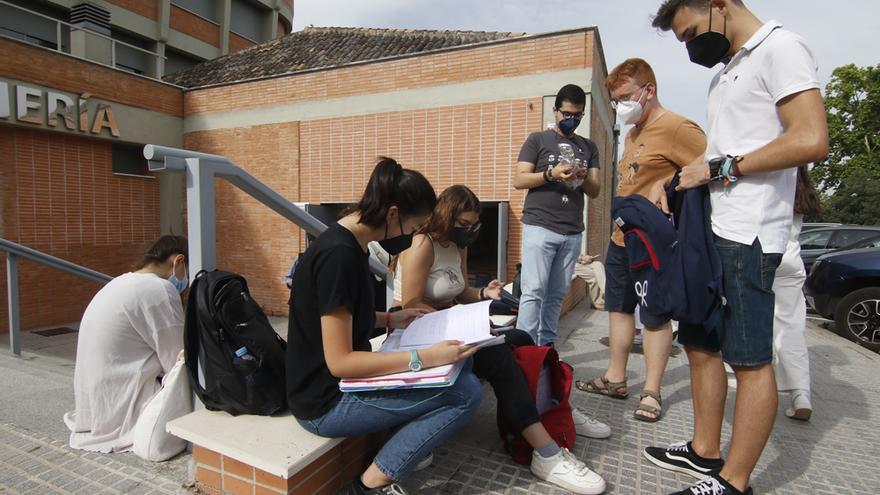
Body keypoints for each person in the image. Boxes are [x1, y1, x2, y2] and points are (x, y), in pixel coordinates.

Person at [645, 2, 829, 494]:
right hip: (711, 229)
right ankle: (706, 454)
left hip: (750, 235)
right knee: (701, 344)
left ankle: (735, 482)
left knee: (749, 361)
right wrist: (681, 175)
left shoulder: (781, 48)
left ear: (719, 6)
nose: (689, 48)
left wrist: (720, 169)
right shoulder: (728, 70)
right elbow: (723, 148)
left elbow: (811, 138)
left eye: (689, 34)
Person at [286, 157, 483, 495]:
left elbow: (343, 316)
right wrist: (424, 358)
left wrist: (391, 319)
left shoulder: (352, 243)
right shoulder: (339, 256)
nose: (412, 235)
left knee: (462, 368)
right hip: (326, 401)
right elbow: (340, 361)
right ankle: (369, 485)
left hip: (341, 384)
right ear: (393, 214)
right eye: (414, 225)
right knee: (465, 394)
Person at [395, 185, 609, 495]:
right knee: (498, 357)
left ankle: (554, 407)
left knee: (521, 336)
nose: (469, 231)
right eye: (463, 225)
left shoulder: (457, 246)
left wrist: (485, 294)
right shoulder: (422, 245)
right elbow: (409, 306)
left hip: (449, 325)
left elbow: (461, 292)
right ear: (446, 216)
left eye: (473, 226)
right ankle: (547, 454)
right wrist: (463, 325)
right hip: (419, 332)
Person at [575, 58, 707, 423]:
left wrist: (669, 184)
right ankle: (616, 379)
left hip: (653, 242)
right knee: (618, 308)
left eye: (625, 97)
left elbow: (708, 170)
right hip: (621, 238)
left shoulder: (679, 127)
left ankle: (651, 390)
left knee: (654, 315)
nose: (620, 107)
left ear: (649, 90)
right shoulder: (632, 133)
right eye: (615, 100)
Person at [63, 235, 189, 453]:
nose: (187, 281)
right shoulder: (159, 290)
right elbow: (177, 358)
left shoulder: (121, 282)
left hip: (97, 404)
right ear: (179, 262)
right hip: (123, 404)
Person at [513, 84, 602, 346]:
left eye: (577, 116)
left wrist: (582, 175)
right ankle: (524, 350)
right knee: (533, 291)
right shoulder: (537, 140)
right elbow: (520, 179)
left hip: (572, 231)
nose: (571, 120)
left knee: (556, 295)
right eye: (566, 114)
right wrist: (550, 174)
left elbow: (595, 190)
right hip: (540, 226)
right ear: (555, 110)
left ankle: (548, 347)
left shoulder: (588, 147)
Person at [774, 166, 820, 421]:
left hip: (763, 253)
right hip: (791, 259)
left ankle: (739, 378)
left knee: (749, 319)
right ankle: (800, 393)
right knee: (791, 327)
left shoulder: (771, 178)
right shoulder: (800, 185)